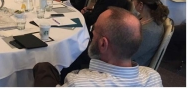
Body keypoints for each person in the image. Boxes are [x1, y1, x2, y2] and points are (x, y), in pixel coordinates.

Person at [33, 7, 163, 87]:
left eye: (93, 32)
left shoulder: (79, 83)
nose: (91, 35)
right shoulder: (153, 77)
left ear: (103, 44)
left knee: (43, 68)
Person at [131, 0, 169, 66]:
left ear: (140, 4)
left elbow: (129, 56)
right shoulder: (146, 17)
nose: (132, 2)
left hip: (133, 68)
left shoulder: (148, 31)